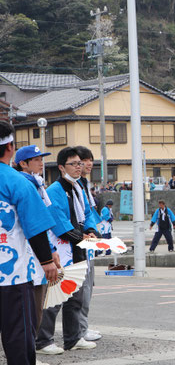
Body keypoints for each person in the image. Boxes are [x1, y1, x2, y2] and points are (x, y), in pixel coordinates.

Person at [0, 129, 59, 365]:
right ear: (10, 148)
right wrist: (47, 261)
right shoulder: (18, 181)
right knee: (18, 337)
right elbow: (35, 226)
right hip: (12, 276)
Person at [37, 146, 99, 354]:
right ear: (62, 167)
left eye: (80, 163)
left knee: (76, 296)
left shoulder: (78, 187)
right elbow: (58, 222)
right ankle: (43, 341)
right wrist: (82, 237)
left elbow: (88, 213)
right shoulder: (54, 190)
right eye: (74, 164)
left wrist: (90, 230)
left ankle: (73, 338)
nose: (79, 167)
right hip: (64, 248)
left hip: (78, 247)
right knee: (55, 298)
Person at [74, 147, 103, 344]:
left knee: (88, 286)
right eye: (84, 160)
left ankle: (82, 327)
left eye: (90, 160)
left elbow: (89, 212)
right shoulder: (75, 185)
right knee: (81, 289)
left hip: (89, 238)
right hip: (79, 242)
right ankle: (79, 330)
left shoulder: (84, 183)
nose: (88, 164)